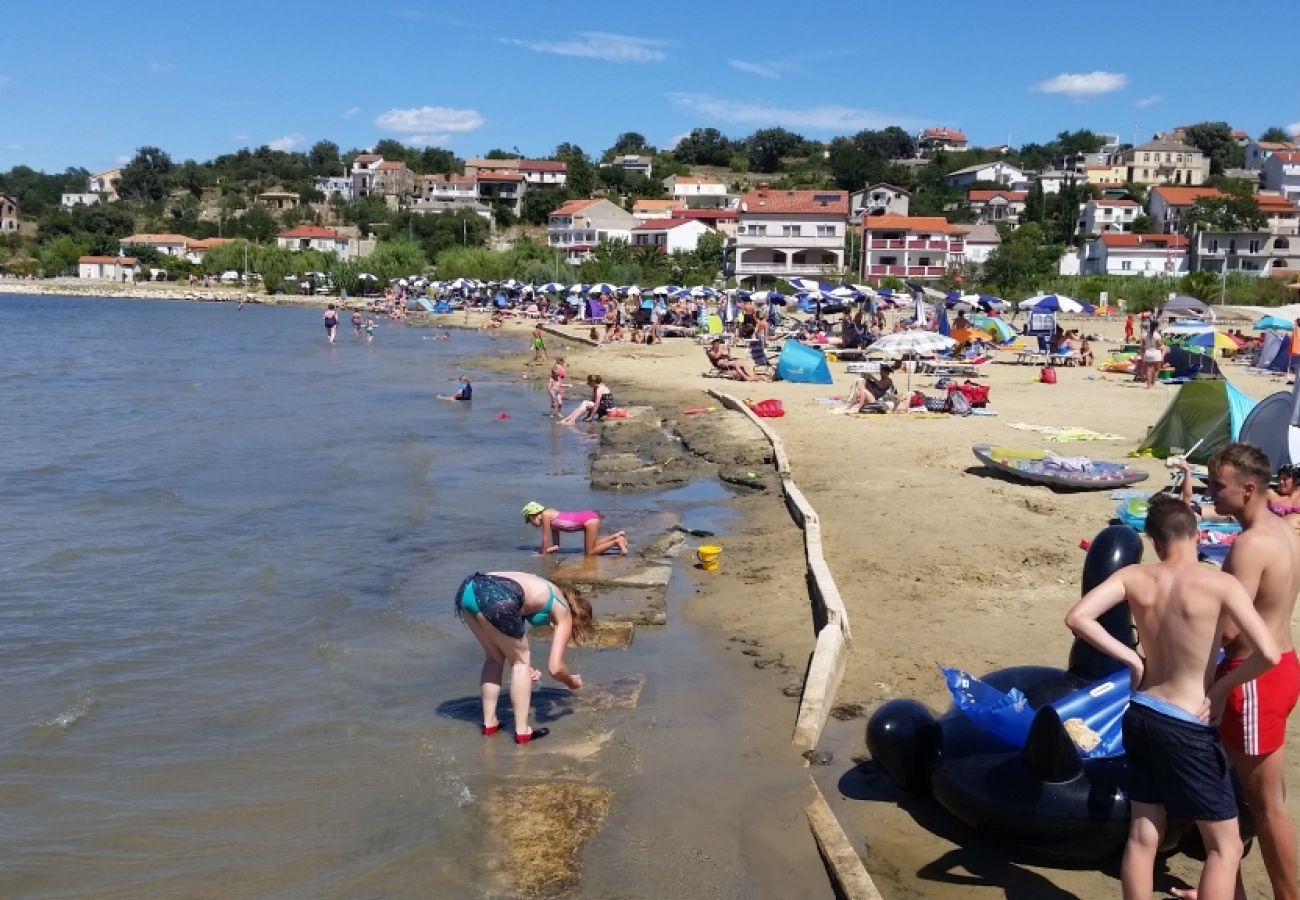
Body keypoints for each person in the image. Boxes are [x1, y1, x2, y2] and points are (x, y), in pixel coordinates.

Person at [1065, 493, 1281, 900]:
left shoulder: (1134, 576)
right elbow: (1268, 653)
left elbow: (1077, 617)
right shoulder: (1220, 583)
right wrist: (1220, 687)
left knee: (1144, 832)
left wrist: (1132, 659)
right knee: (1225, 845)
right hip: (1186, 722)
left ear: (1155, 541)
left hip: (1141, 712)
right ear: (1197, 535)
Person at [1173, 444, 1300, 900]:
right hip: (1280, 666)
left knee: (1264, 807)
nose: (1211, 493)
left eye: (1217, 486)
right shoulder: (1286, 530)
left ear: (1248, 489)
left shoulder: (1250, 545)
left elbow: (1229, 629)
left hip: (1252, 679)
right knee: (1228, 792)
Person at [454, 571, 591, 743]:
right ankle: (522, 731)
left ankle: (490, 724)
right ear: (578, 617)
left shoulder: (542, 586)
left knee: (494, 658)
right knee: (521, 662)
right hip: (497, 593)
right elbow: (555, 669)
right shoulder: (564, 611)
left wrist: (526, 671)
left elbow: (508, 639)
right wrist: (571, 682)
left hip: (468, 590)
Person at [521, 501, 628, 556]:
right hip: (588, 518)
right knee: (593, 546)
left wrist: (542, 554)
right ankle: (617, 536)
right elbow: (556, 546)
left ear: (532, 516)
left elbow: (545, 538)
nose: (532, 524)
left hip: (588, 521)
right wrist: (547, 550)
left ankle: (617, 542)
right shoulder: (550, 516)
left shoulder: (545, 515)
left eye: (530, 521)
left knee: (590, 553)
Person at [1141, 318, 1165, 388]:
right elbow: (1159, 345)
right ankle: (1153, 383)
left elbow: (1142, 345)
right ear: (1156, 326)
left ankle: (1148, 384)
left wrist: (1143, 353)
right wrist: (1163, 345)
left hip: (1148, 352)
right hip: (1156, 353)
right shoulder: (1157, 335)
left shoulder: (1144, 334)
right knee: (1157, 369)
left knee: (1148, 369)